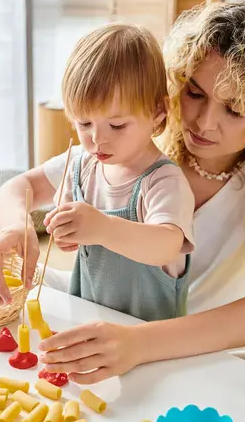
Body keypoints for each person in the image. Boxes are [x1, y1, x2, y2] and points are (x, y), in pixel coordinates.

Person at [0, 0, 245, 390]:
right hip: (109, 307)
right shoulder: (135, 130)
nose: (204, 123)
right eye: (194, 94)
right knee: (3, 290)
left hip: (202, 334)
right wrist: (14, 228)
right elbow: (19, 187)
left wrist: (140, 343)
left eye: (235, 110)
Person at [43, 23, 194, 319]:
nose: (97, 139)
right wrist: (65, 229)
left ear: (157, 113)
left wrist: (102, 228)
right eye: (84, 123)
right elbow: (26, 193)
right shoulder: (83, 165)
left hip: (150, 346)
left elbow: (167, 245)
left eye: (117, 125)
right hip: (90, 326)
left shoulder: (163, 181)